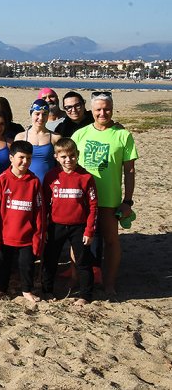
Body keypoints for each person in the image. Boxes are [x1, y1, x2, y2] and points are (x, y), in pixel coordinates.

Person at [71, 91, 137, 296]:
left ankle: (109, 284)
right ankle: (76, 282)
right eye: (98, 109)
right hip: (81, 200)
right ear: (91, 110)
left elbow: (130, 171)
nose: (103, 113)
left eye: (107, 109)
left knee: (111, 241)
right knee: (78, 242)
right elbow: (68, 167)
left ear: (112, 109)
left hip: (109, 199)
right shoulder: (80, 134)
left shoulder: (122, 135)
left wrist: (127, 201)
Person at [42, 138, 97, 305]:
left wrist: (89, 231)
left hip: (79, 226)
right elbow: (44, 203)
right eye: (64, 157)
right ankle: (47, 291)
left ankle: (86, 295)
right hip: (56, 225)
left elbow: (93, 206)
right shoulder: (51, 176)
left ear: (77, 155)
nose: (68, 160)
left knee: (83, 261)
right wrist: (44, 228)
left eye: (72, 156)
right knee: (50, 259)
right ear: (56, 157)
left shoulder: (86, 177)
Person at [0, 141, 46, 302]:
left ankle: (26, 290)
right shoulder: (2, 179)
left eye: (28, 158)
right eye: (21, 157)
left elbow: (39, 213)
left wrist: (37, 239)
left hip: (26, 237)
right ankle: (2, 289)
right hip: (6, 236)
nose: (25, 162)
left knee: (26, 265)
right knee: (4, 265)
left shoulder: (34, 182)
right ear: (11, 158)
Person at [14, 99, 61, 181]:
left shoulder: (55, 138)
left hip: (49, 184)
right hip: (27, 184)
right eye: (37, 114)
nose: (41, 118)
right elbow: (14, 165)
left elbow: (60, 165)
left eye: (44, 114)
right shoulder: (21, 137)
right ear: (31, 114)